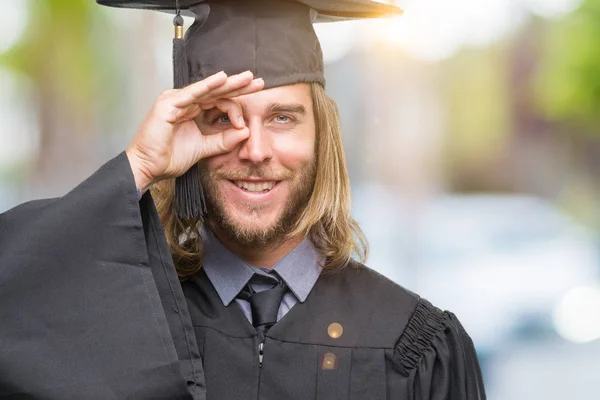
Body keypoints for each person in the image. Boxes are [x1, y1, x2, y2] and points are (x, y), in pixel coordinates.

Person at [0, 0, 486, 399]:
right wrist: (138, 165)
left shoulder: (415, 347)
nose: (254, 150)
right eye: (220, 119)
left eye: (282, 118)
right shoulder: (125, 321)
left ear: (323, 138)